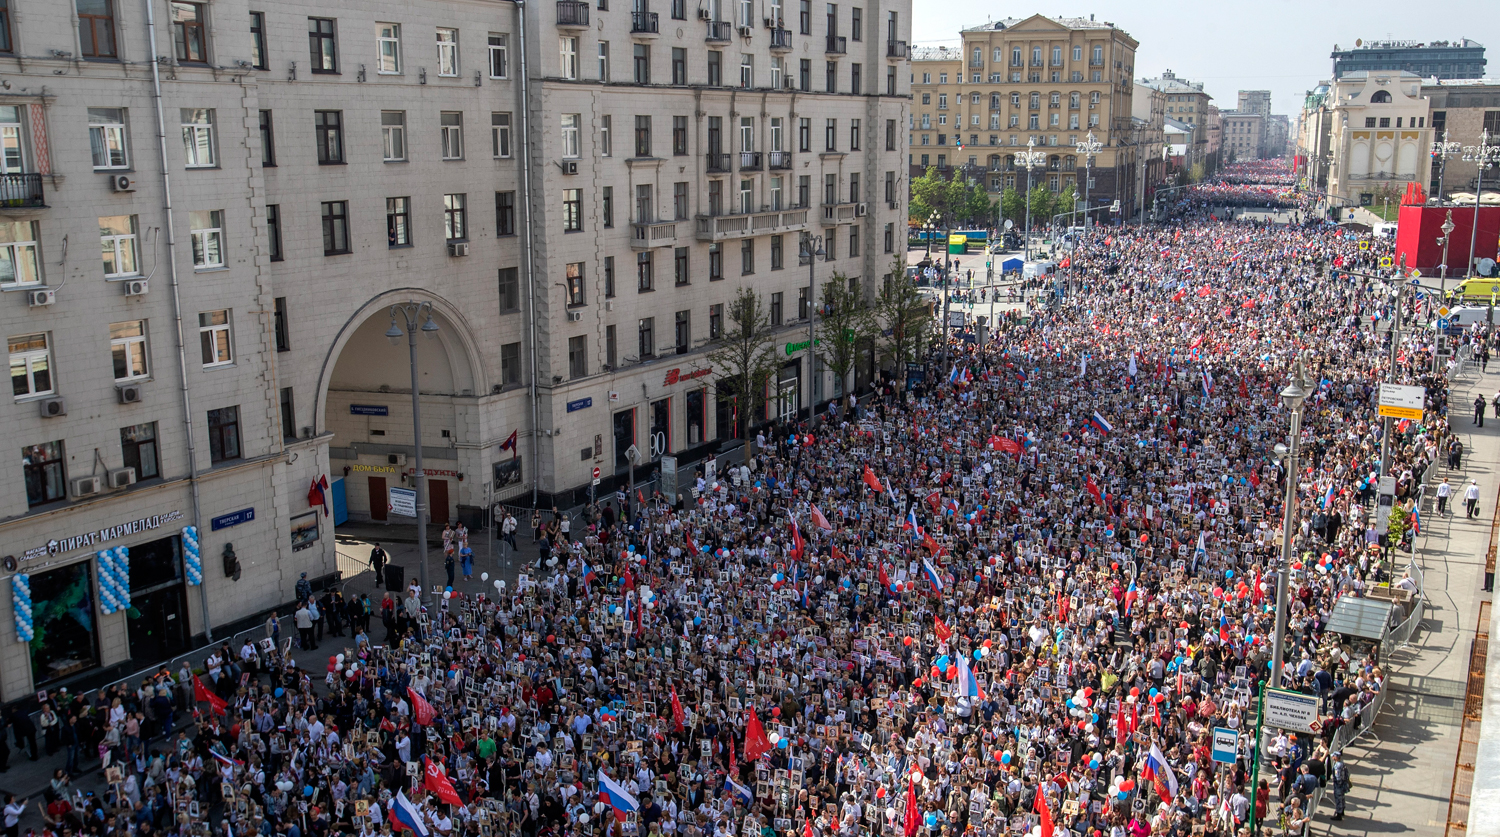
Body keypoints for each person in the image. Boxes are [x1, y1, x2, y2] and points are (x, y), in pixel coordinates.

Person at [1330, 753, 1350, 820]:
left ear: (1336, 757)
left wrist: (1338, 785)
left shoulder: (1337, 766)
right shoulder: (1342, 763)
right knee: (1342, 798)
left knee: (1338, 799)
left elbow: (1338, 777)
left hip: (1339, 786)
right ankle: (1342, 811)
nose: (1332, 757)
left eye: (1333, 756)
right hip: (1343, 784)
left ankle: (1339, 814)